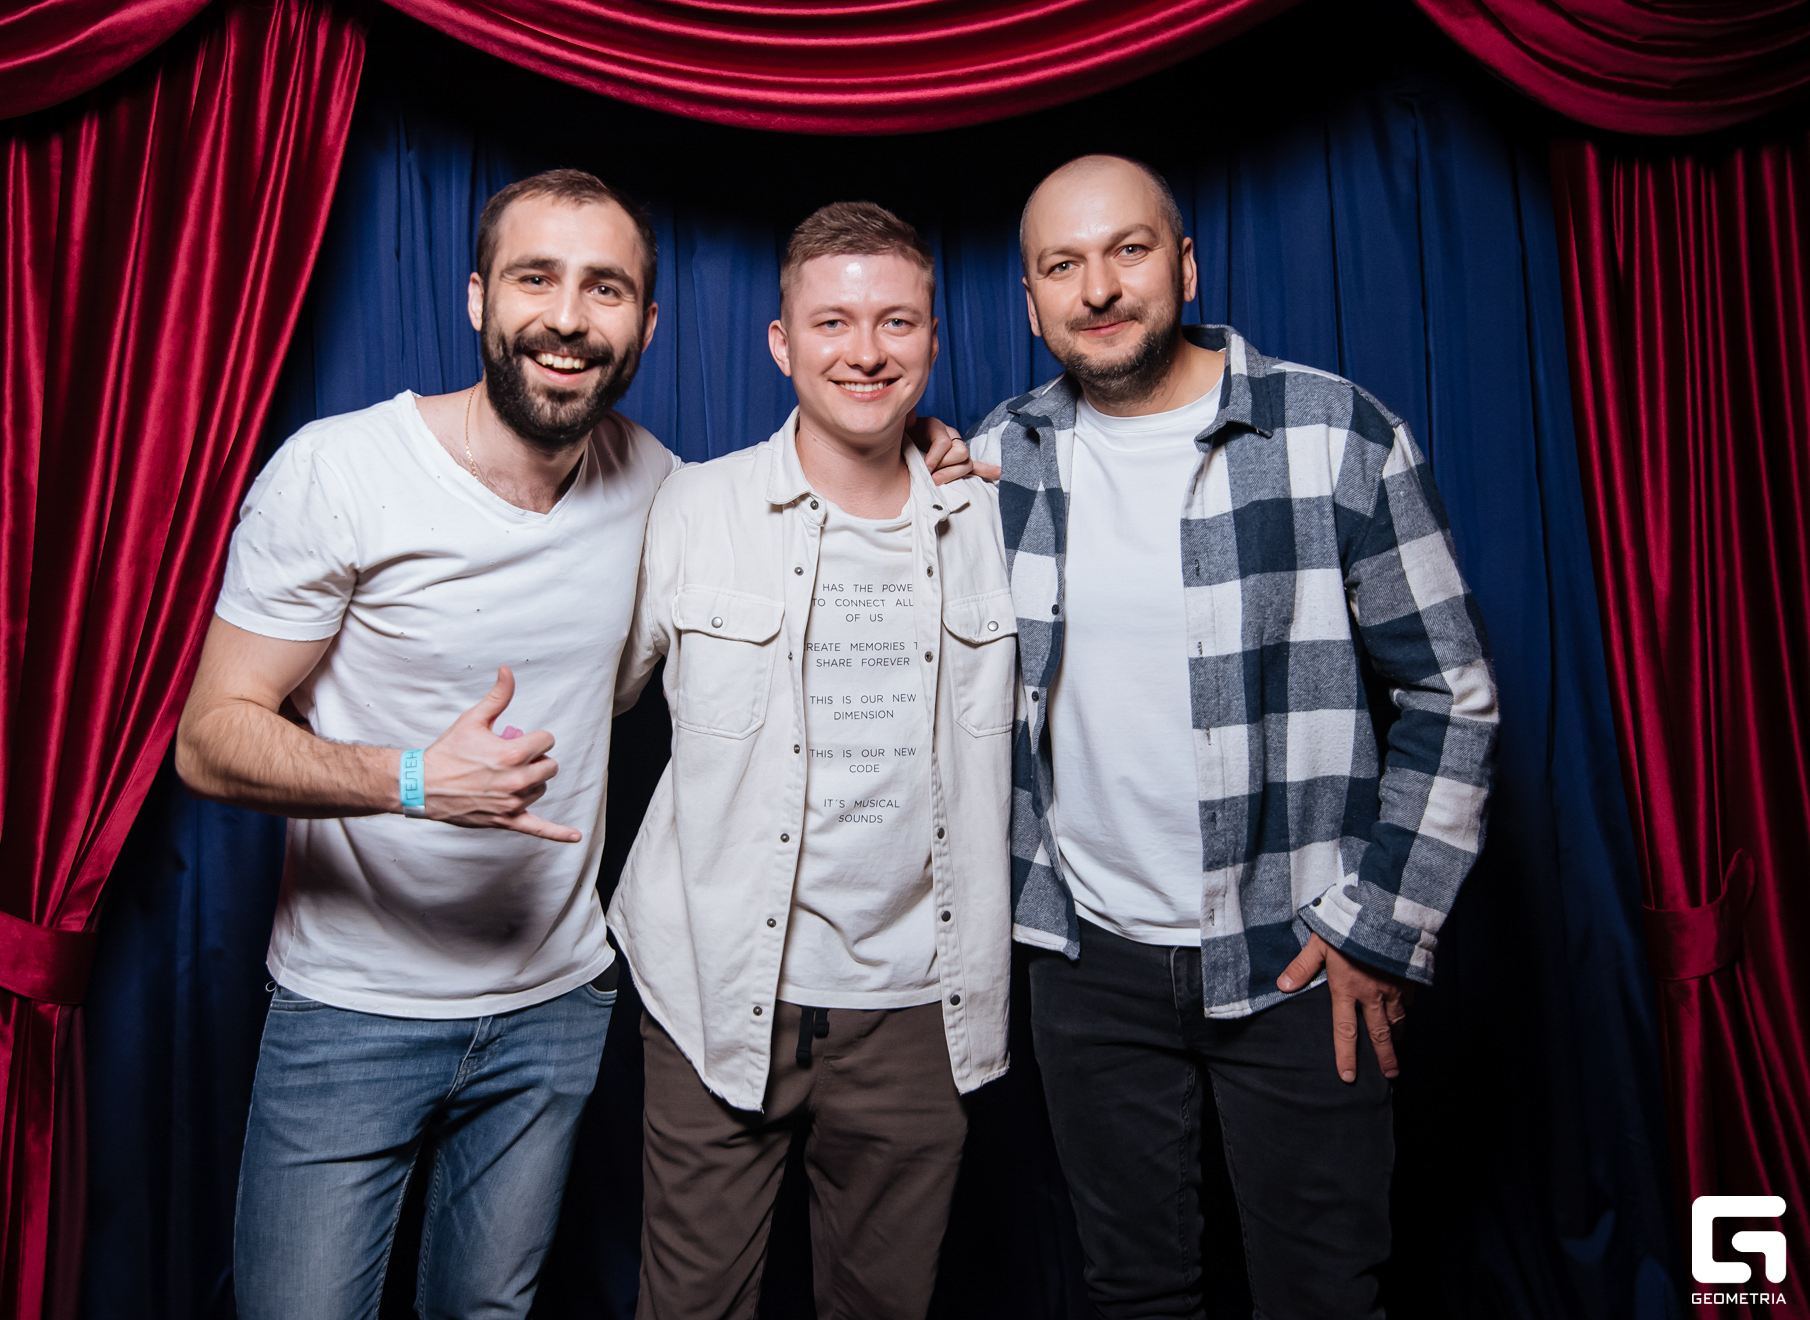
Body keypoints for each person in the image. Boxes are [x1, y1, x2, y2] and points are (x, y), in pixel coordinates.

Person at [177, 169, 978, 1320]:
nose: (566, 317)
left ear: (646, 323)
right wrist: (411, 780)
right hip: (351, 1008)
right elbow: (210, 739)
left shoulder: (659, 488)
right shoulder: (339, 471)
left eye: (604, 289)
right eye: (535, 279)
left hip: (555, 1008)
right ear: (477, 299)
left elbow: (822, 490)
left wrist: (917, 447)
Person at [965, 155, 1500, 1319]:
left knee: (1324, 1295)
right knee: (1134, 1296)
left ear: (1187, 264)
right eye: (1063, 265)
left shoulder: (1336, 432)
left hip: (1299, 953)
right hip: (1087, 961)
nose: (1099, 288)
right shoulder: (1003, 454)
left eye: (1129, 250)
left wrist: (1378, 930)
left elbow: (1450, 695)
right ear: (1032, 301)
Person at [609, 201, 1017, 1320]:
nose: (866, 351)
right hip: (712, 990)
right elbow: (589, 700)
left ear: (933, 338)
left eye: (897, 321)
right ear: (781, 343)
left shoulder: (996, 519)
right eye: (832, 322)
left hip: (920, 1005)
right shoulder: (690, 506)